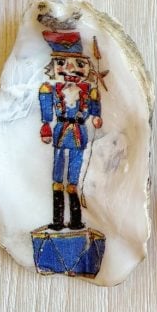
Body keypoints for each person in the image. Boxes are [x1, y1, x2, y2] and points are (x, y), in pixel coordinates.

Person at [38, 29, 102, 231]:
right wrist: (46, 126)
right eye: (62, 63)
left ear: (86, 67)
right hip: (60, 133)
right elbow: (46, 108)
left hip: (78, 136)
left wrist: (97, 115)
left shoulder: (88, 91)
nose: (70, 69)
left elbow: (94, 108)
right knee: (57, 177)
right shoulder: (51, 90)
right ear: (54, 66)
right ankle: (57, 220)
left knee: (72, 180)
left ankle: (75, 220)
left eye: (79, 64)